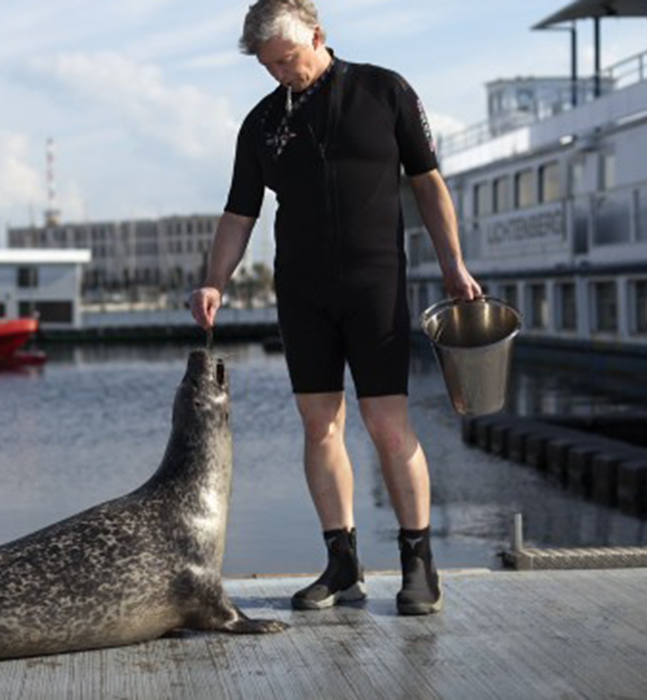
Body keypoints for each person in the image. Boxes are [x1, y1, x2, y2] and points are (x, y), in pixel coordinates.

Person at [190, 0, 481, 615]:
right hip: (302, 292)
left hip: (375, 285)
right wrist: (215, 279)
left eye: (287, 60)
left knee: (385, 424)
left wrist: (453, 263)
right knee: (319, 424)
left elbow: (428, 181)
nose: (280, 75)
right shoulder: (262, 123)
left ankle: (418, 563)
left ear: (317, 36)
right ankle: (342, 564)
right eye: (268, 67)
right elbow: (240, 211)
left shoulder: (385, 90)